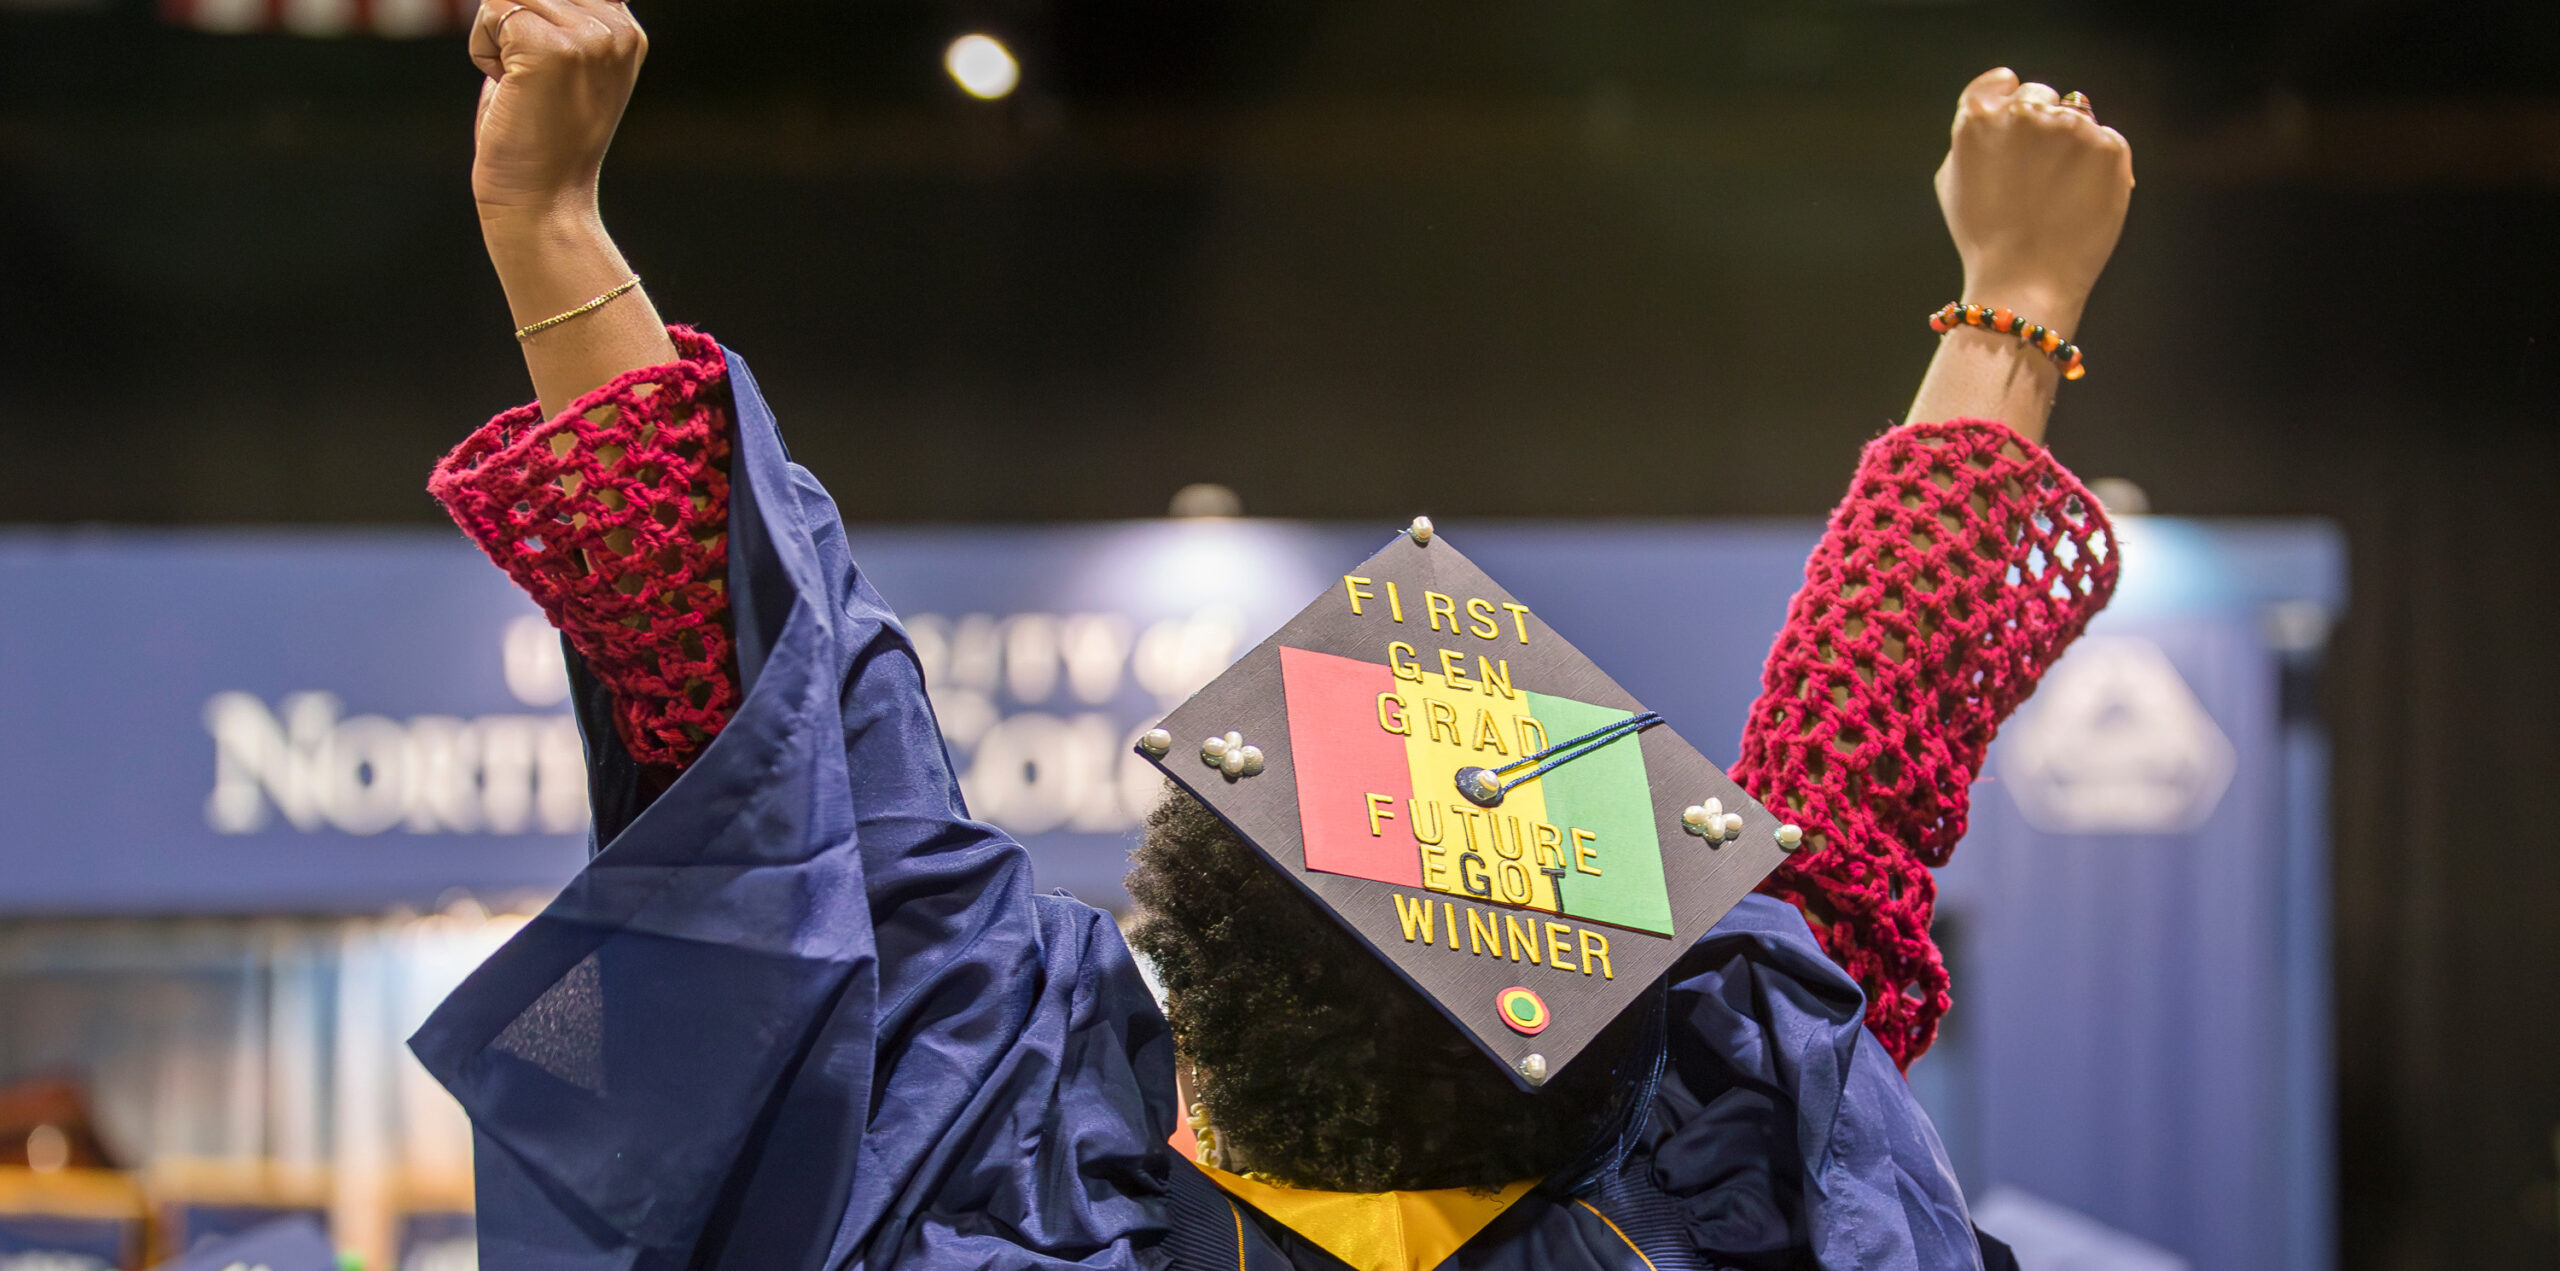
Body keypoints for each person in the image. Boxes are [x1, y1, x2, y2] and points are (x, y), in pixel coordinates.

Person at [410, 3, 2133, 1268]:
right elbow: (1854, 800)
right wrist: (2016, 305)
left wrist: (550, 224)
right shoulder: (1726, 1197)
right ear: (1618, 1018)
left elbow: (793, 754)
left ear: (1201, 979)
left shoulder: (1027, 1197)